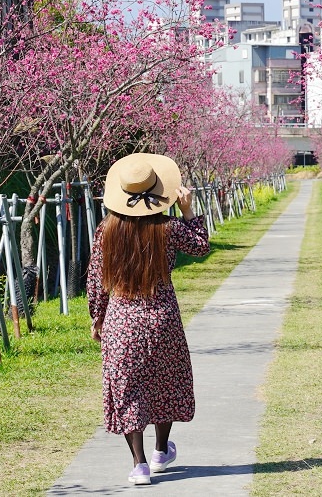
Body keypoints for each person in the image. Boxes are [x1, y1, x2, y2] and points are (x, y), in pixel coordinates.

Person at [87, 152, 210, 485]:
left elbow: (96, 279)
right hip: (162, 319)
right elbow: (201, 246)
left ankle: (140, 464)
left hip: (122, 319)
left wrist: (97, 317)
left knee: (128, 389)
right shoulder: (168, 228)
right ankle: (160, 451)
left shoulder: (106, 231)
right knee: (163, 383)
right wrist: (187, 211)